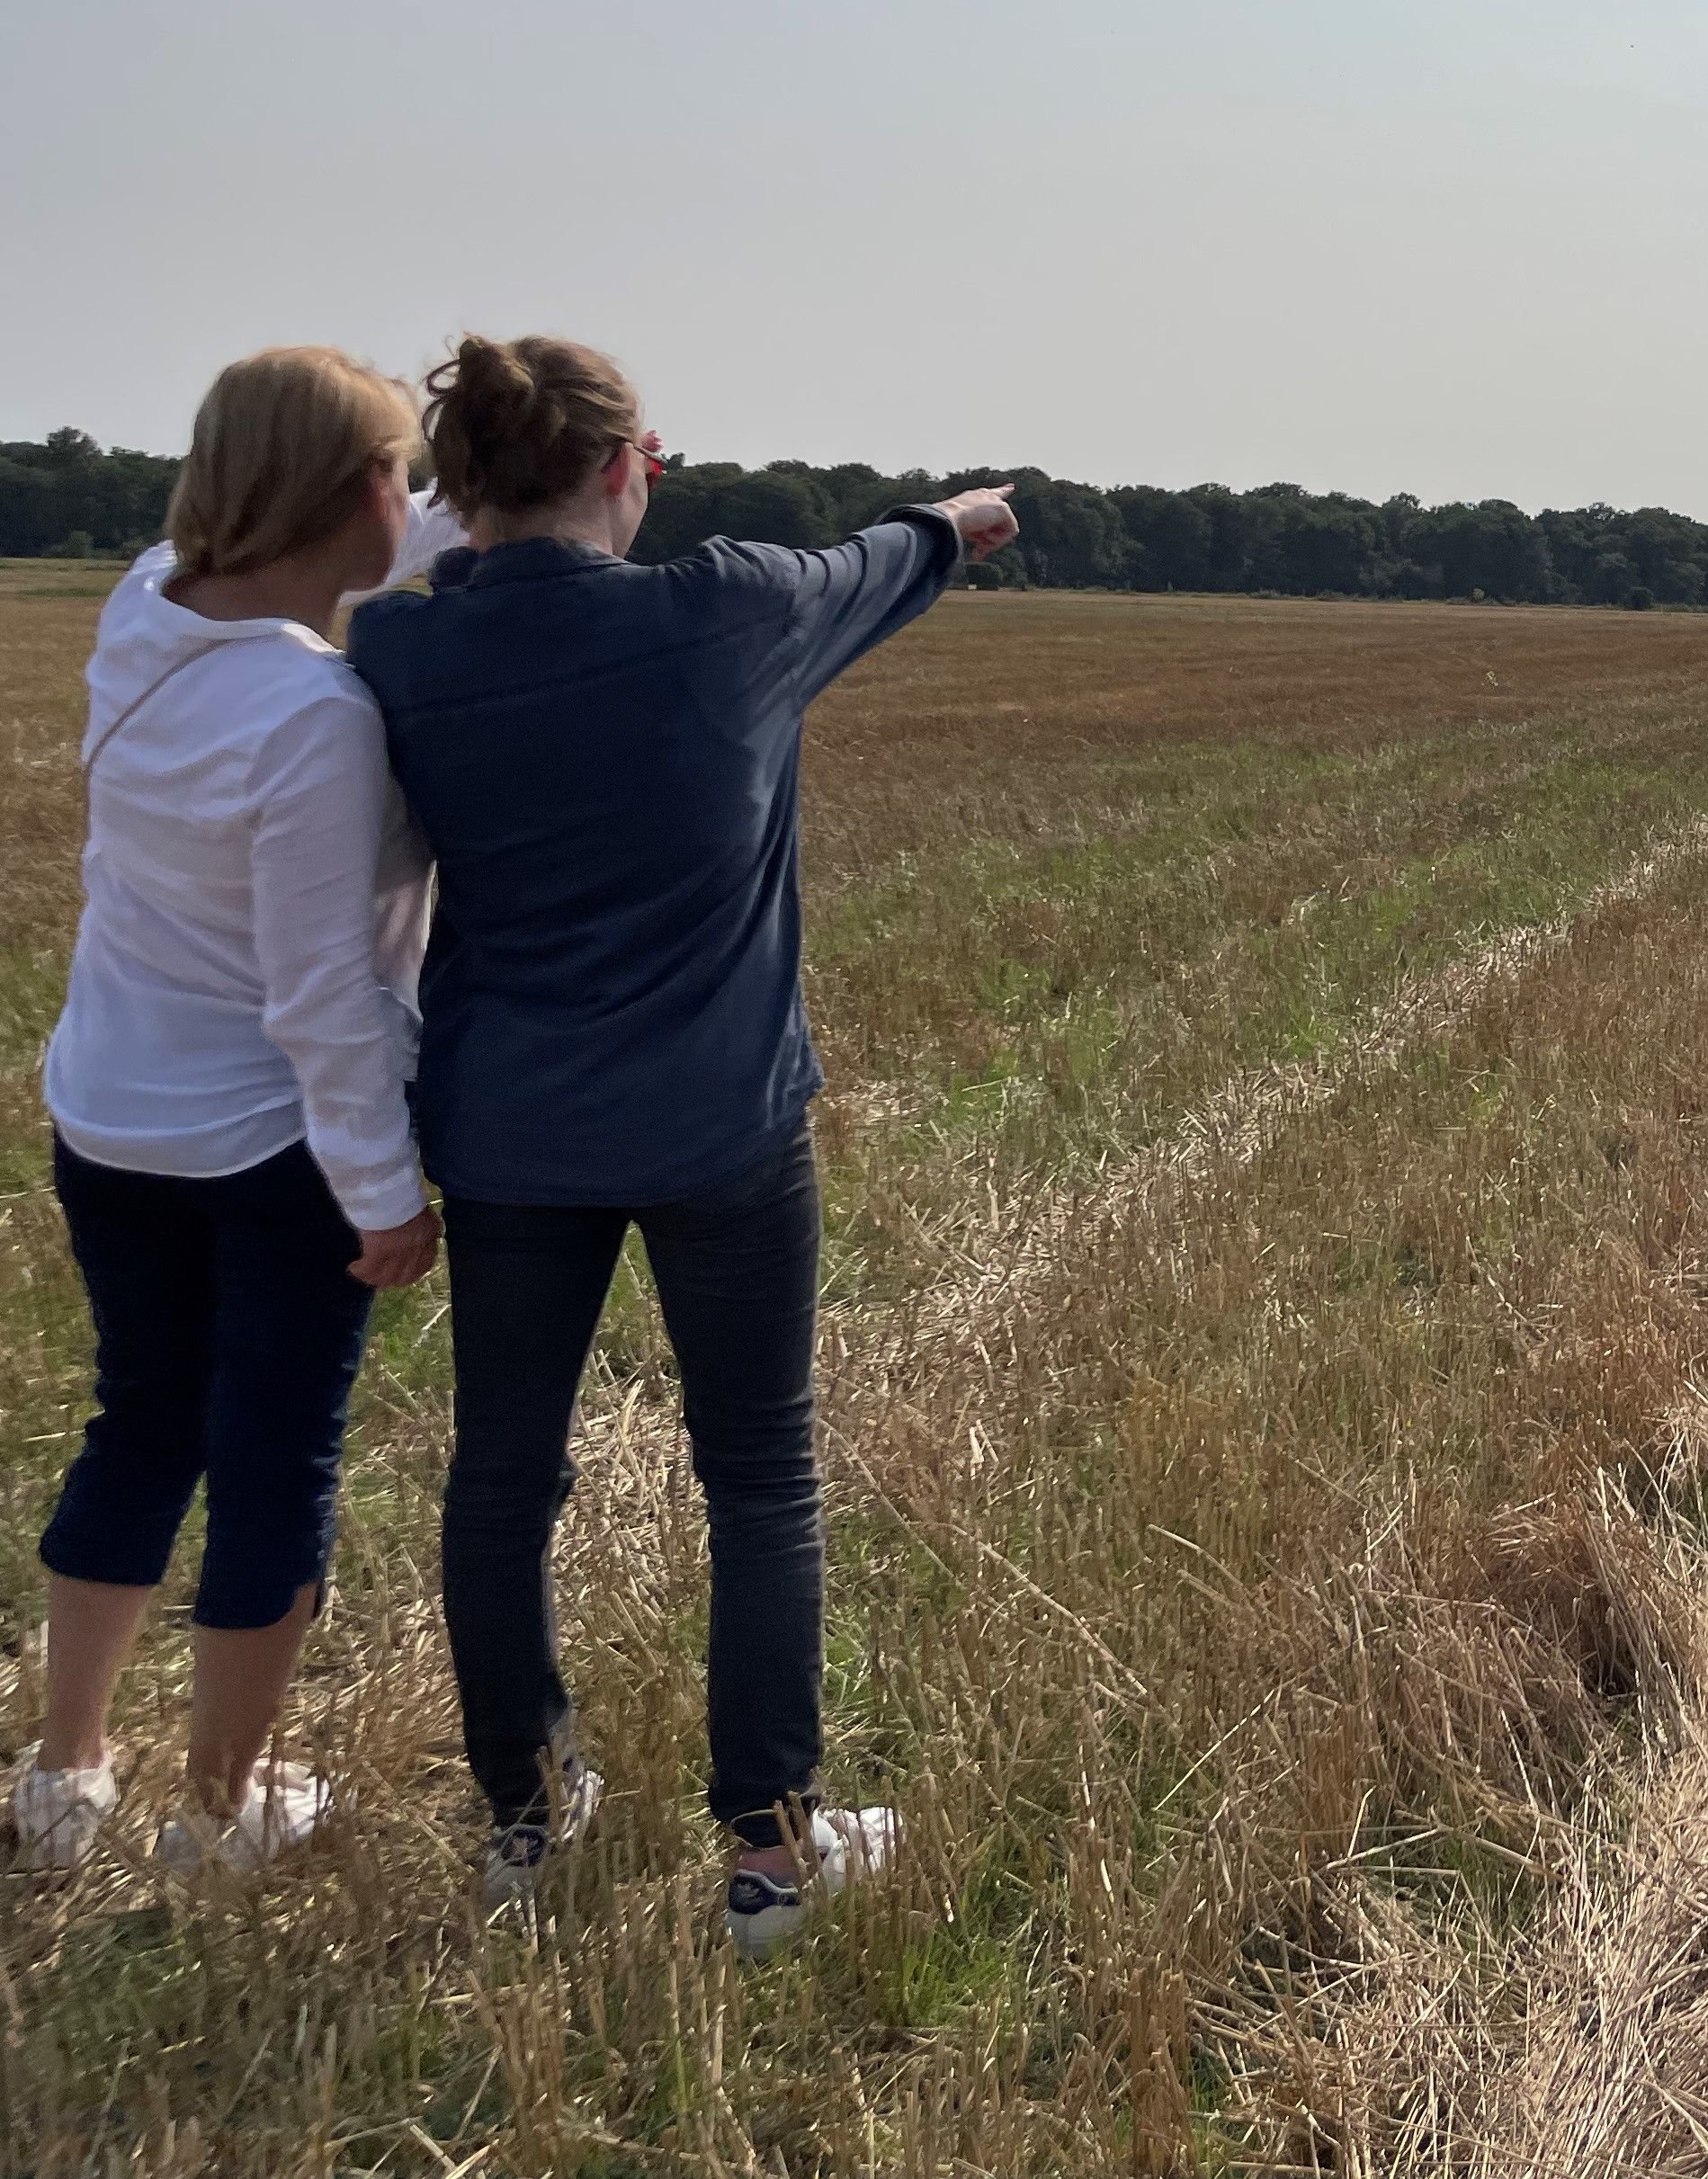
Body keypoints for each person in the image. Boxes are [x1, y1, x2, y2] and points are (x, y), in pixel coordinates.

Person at [347, 335, 1015, 1956]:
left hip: (506, 1133)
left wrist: (491, 510)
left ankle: (523, 1816)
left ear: (463, 483)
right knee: (758, 1471)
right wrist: (973, 514)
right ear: (628, 465)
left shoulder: (399, 653)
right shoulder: (730, 610)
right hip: (723, 1128)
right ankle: (772, 1860)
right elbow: (903, 544)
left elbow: (442, 568)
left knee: (503, 1478)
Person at [11, 350, 457, 1880]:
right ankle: (220, 1810)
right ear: (354, 499)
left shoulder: (141, 612)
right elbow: (325, 1001)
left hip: (105, 1116)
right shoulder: (317, 717)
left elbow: (331, 543)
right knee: (275, 1455)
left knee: (139, 1420)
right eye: (404, 476)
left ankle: (65, 1775)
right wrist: (387, 1191)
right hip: (270, 1150)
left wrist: (537, 497)